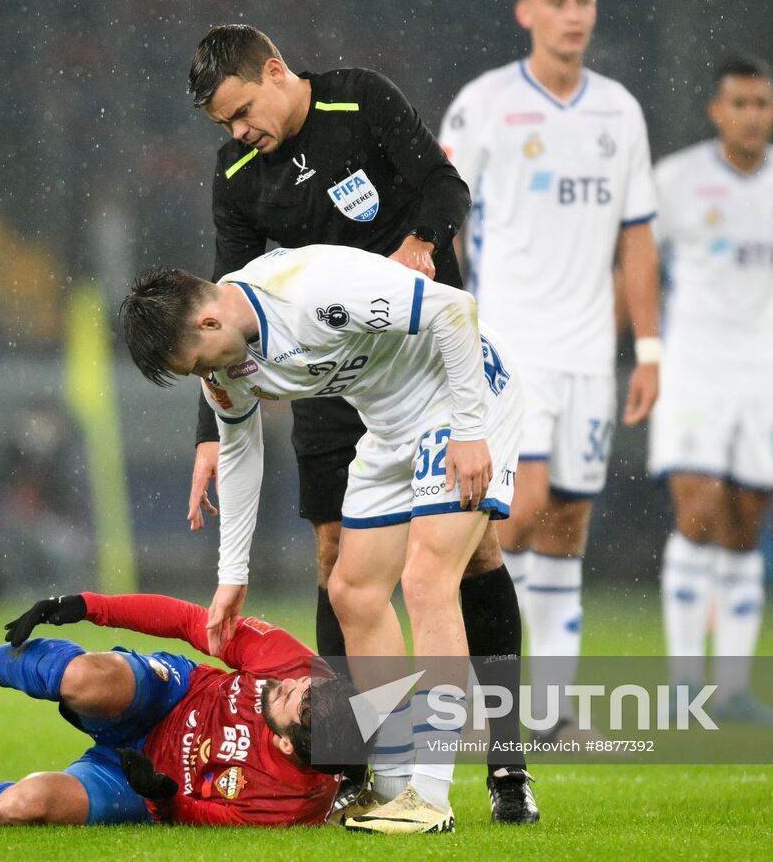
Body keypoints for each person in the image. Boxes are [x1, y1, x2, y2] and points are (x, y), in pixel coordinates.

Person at [185, 24, 533, 824]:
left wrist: (420, 241)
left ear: (276, 72)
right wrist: (209, 434)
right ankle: (352, 762)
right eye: (224, 125)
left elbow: (447, 189)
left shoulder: (361, 99)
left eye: (242, 112)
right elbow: (216, 308)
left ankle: (505, 764)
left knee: (469, 554)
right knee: (338, 558)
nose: (239, 133)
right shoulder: (238, 170)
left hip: (426, 352)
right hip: (333, 375)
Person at [121, 244, 526, 834]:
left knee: (427, 578)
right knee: (352, 592)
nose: (206, 378)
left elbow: (453, 309)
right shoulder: (227, 361)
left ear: (210, 321)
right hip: (390, 421)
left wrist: (468, 429)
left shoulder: (313, 289)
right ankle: (391, 785)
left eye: (198, 362)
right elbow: (238, 449)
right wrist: (232, 576)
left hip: (465, 398)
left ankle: (432, 797)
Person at [438, 0, 661, 742]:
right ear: (525, 13)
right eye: (559, 0)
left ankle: (553, 710)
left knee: (567, 519)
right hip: (511, 345)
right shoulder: (485, 106)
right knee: (516, 510)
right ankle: (465, 686)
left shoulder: (619, 113)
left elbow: (637, 239)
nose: (575, 13)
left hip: (589, 354)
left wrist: (653, 351)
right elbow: (437, 212)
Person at [649, 55, 773, 722]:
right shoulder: (676, 182)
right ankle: (681, 685)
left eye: (762, 103)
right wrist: (641, 353)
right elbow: (638, 267)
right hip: (692, 365)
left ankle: (734, 688)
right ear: (716, 111)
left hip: (762, 372)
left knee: (747, 523)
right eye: (739, 103)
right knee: (697, 507)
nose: (751, 115)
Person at [0, 591, 350, 827]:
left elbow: (198, 817)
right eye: (301, 683)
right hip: (172, 696)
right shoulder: (294, 665)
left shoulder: (284, 809)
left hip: (138, 782)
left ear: (286, 744)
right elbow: (190, 622)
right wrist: (88, 606)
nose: (289, 683)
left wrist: (159, 795)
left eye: (289, 698)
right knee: (84, 678)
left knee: (20, 807)